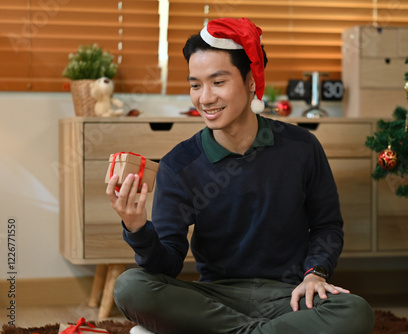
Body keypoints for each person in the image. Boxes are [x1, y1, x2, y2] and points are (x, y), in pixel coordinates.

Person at [107, 17, 374, 334]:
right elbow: (167, 266)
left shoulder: (301, 147)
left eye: (218, 82)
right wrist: (137, 229)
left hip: (288, 294)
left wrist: (316, 273)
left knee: (355, 312)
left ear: (251, 79)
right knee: (130, 287)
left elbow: (327, 225)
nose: (205, 98)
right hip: (216, 298)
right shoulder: (179, 163)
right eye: (195, 85)